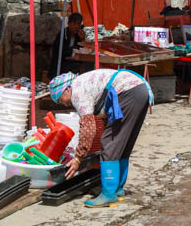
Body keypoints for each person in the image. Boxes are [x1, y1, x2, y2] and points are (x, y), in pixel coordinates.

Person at [50, 69, 153, 207]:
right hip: (140, 91)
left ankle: (109, 194)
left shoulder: (77, 93)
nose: (65, 104)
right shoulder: (83, 83)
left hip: (129, 92)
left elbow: (88, 128)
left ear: (66, 90)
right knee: (122, 143)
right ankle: (117, 188)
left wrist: (78, 158)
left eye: (61, 100)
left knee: (110, 144)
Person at [49, 13, 85, 78]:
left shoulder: (78, 36)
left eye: (78, 24)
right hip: (60, 65)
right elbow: (62, 52)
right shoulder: (63, 34)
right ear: (69, 24)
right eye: (74, 24)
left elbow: (80, 50)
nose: (76, 26)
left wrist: (82, 40)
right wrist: (72, 52)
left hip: (72, 63)